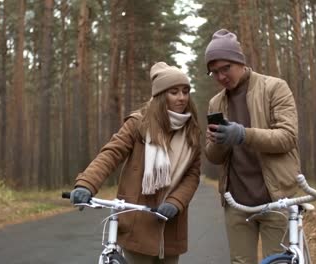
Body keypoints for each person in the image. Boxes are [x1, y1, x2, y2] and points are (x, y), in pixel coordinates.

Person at [70, 62, 201, 264]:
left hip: (171, 222)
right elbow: (111, 153)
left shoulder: (191, 130)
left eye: (185, 91)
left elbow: (192, 175)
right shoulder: (138, 123)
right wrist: (86, 183)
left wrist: (176, 202)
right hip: (137, 219)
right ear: (160, 95)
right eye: (174, 92)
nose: (182, 97)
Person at [203, 29, 301, 264]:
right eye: (214, 72)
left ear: (240, 61)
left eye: (225, 68)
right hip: (236, 202)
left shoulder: (274, 88)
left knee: (278, 262)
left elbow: (288, 137)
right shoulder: (215, 102)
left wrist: (243, 134)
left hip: (276, 197)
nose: (221, 76)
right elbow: (213, 157)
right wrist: (218, 142)